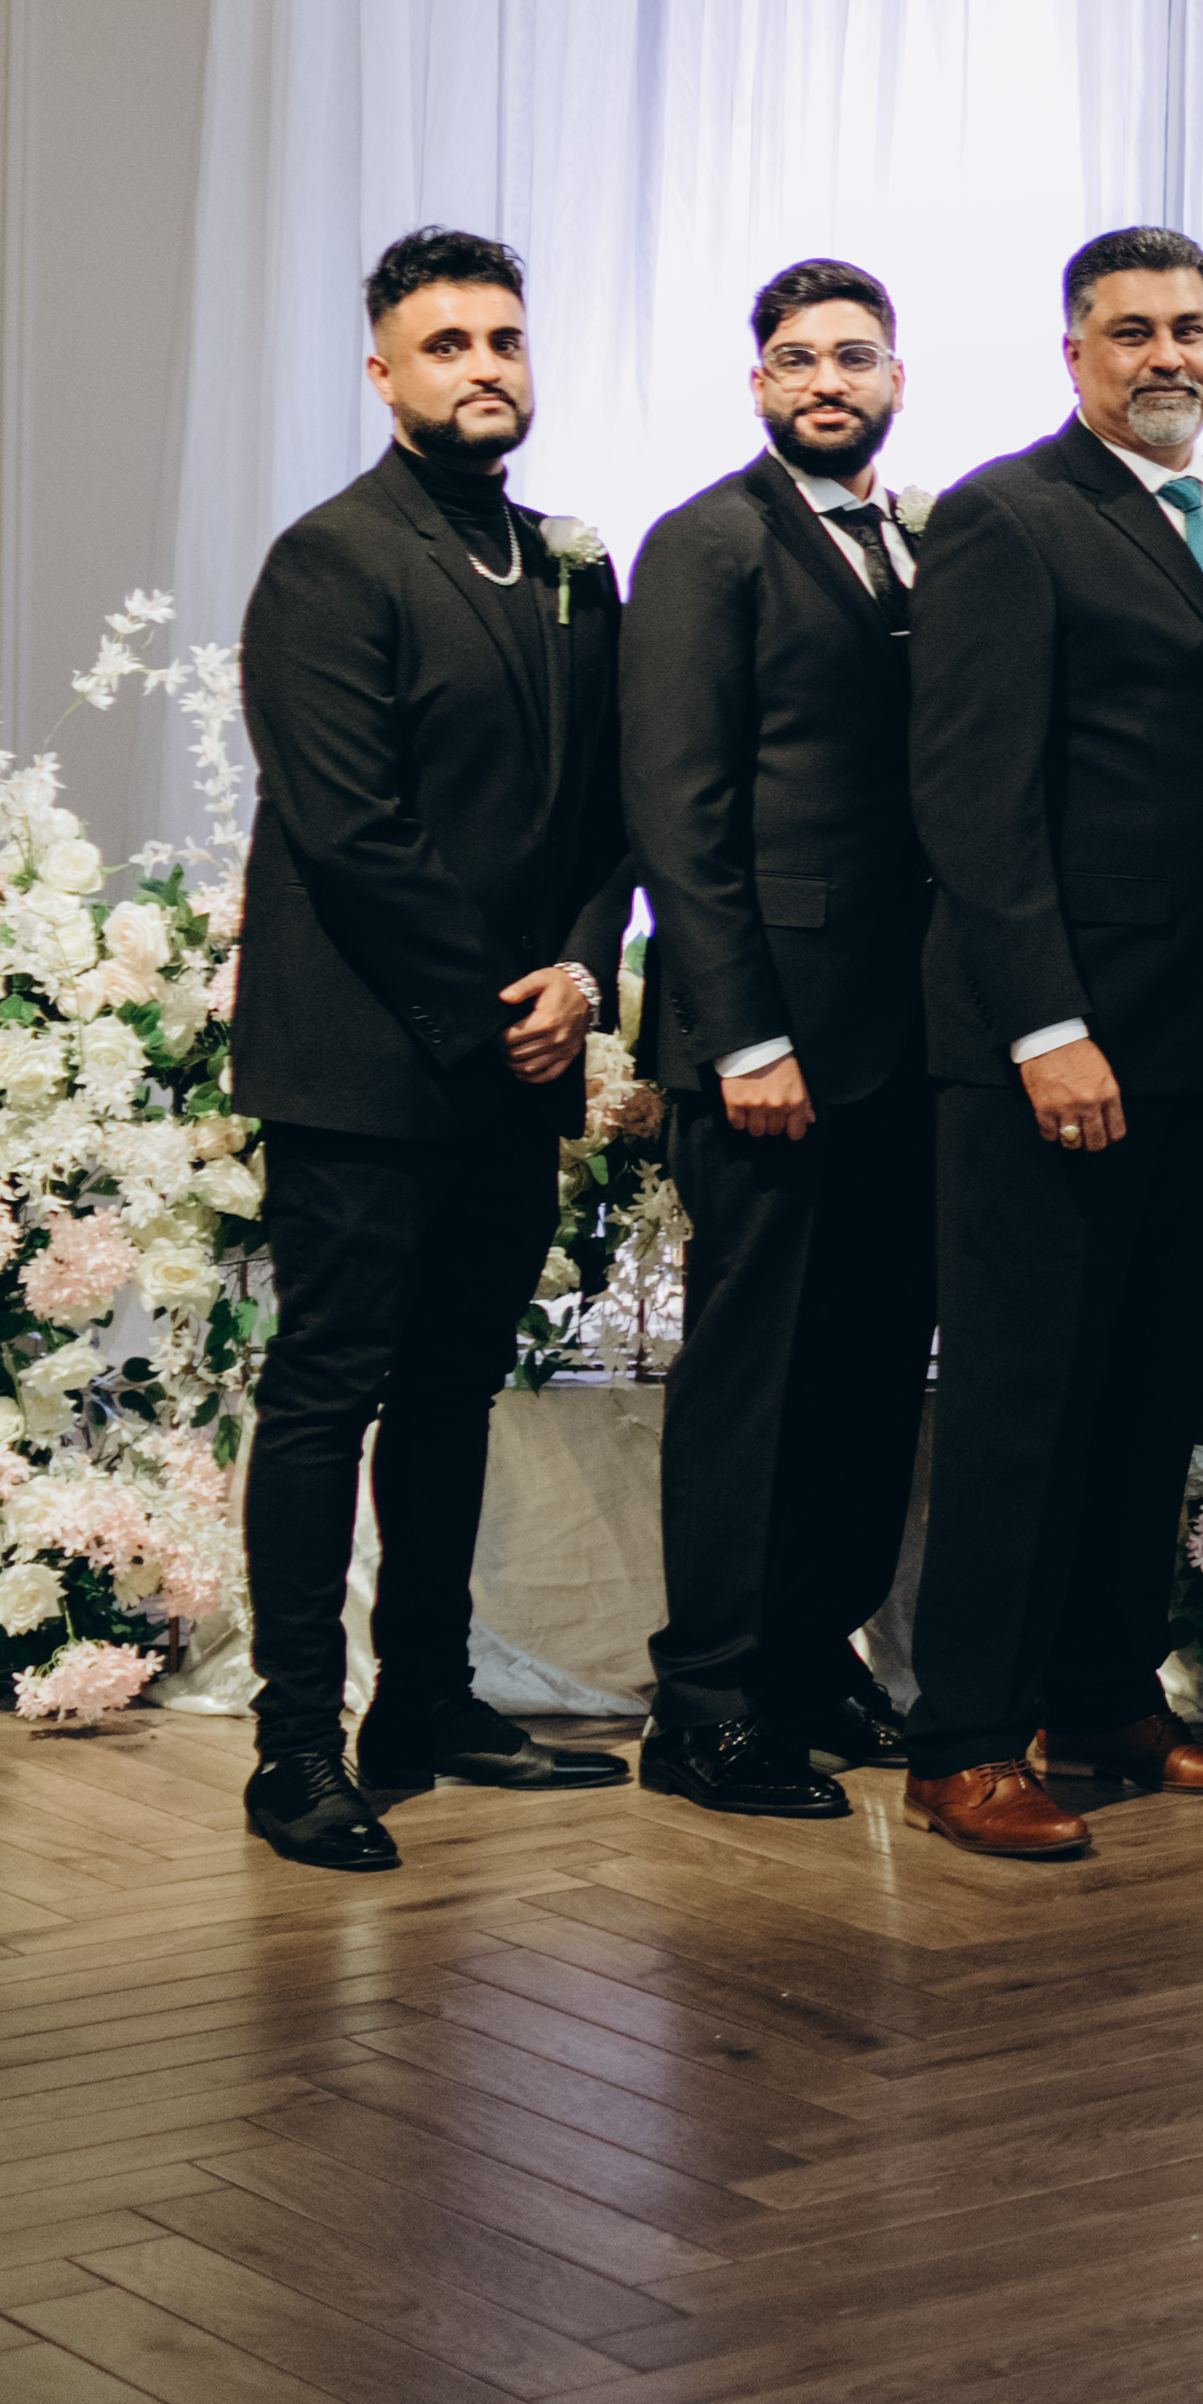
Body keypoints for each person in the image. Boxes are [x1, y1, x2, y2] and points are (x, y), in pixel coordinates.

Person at [228, 226, 642, 1872]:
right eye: (448, 343)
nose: (484, 366)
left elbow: (611, 809)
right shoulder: (329, 562)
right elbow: (350, 831)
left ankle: (425, 1701)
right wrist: (497, 1008)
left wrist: (580, 973)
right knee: (328, 1390)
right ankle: (292, 1747)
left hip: (514, 1053)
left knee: (459, 1390)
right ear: (383, 371)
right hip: (363, 1062)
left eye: (504, 340)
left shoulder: (568, 561)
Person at [894, 227, 1203, 1862]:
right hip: (1050, 1047)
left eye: (1189, 326)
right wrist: (1046, 1027)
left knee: (1147, 1389)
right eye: (1130, 331)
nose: (1166, 355)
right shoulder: (1006, 516)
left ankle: (1103, 1697)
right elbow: (970, 797)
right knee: (1021, 1396)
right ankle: (964, 1740)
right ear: (1074, 353)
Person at [620, 260, 936, 1822]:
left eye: (853, 357)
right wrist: (743, 1035)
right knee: (754, 1381)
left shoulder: (925, 543)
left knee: (868, 1374)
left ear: (894, 378)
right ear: (759, 384)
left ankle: (811, 1658)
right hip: (770, 1049)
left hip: (907, 1043)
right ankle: (708, 1706)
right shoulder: (707, 544)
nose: (827, 381)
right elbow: (677, 811)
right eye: (798, 359)